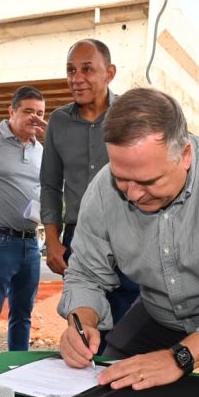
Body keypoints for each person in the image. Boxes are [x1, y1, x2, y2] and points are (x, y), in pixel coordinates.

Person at [58, 87, 199, 397]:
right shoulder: (102, 191)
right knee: (100, 394)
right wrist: (81, 324)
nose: (132, 194)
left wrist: (178, 358)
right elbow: (85, 274)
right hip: (159, 309)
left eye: (148, 181)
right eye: (122, 178)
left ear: (185, 156)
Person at [40, 39, 139, 347]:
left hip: (132, 232)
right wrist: (53, 240)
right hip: (78, 236)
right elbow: (50, 184)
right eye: (71, 70)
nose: (76, 78)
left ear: (109, 73)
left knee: (130, 318)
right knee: (83, 318)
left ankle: (123, 378)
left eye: (87, 69)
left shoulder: (132, 115)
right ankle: (87, 387)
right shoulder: (58, 121)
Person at [0, 86, 46, 352]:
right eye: (28, 111)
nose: (35, 117)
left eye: (41, 113)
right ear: (11, 111)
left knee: (23, 315)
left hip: (31, 243)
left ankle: (17, 369)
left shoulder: (41, 150)